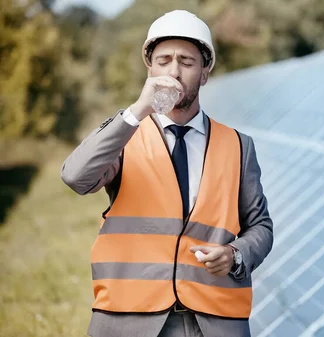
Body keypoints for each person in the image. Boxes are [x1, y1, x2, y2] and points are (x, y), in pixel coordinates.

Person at [61, 9, 274, 337]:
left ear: (205, 72)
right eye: (163, 61)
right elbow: (76, 177)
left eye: (187, 62)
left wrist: (235, 254)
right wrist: (137, 111)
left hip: (214, 322)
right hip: (129, 321)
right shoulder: (125, 136)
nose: (173, 71)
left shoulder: (238, 146)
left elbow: (260, 226)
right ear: (150, 68)